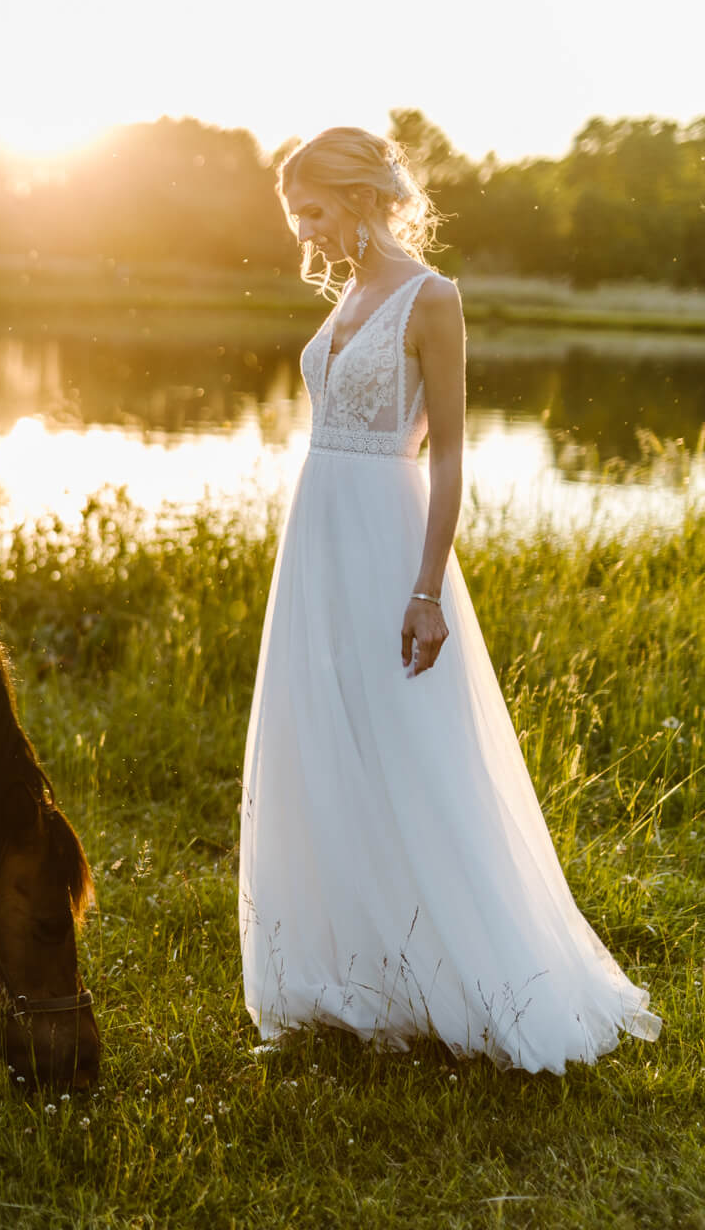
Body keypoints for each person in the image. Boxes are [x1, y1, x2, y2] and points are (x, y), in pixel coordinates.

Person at [237, 126, 660, 1071]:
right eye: (295, 216)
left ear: (357, 198)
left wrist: (425, 589)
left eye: (312, 212)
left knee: (405, 742)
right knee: (324, 735)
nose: (303, 234)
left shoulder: (433, 299)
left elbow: (453, 453)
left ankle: (461, 971)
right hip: (317, 534)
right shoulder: (344, 289)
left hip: (388, 537)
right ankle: (343, 972)